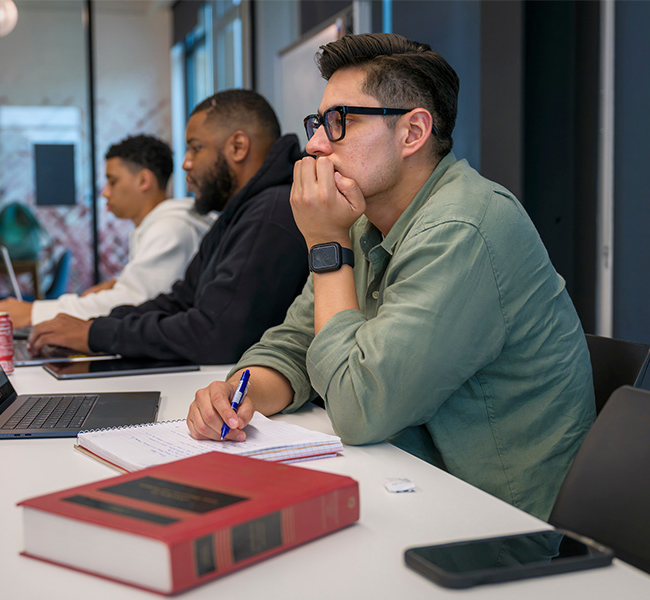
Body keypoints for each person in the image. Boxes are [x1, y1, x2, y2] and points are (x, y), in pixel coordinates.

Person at [186, 34, 595, 520]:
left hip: (495, 525)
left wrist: (324, 247)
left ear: (412, 132)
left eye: (341, 122)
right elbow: (295, 343)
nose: (315, 144)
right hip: (407, 486)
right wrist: (238, 396)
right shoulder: (360, 222)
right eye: (318, 123)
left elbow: (360, 407)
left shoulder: (464, 227)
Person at [28, 89, 309, 364]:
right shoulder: (237, 213)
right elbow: (180, 300)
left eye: (196, 148)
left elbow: (215, 334)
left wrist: (95, 334)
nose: (186, 163)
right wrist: (94, 326)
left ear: (238, 147)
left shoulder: (270, 214)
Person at [0, 135, 215, 328]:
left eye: (112, 182)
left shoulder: (171, 228)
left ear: (144, 180)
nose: (105, 193)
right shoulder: (158, 226)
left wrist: (34, 313)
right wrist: (118, 282)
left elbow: (134, 303)